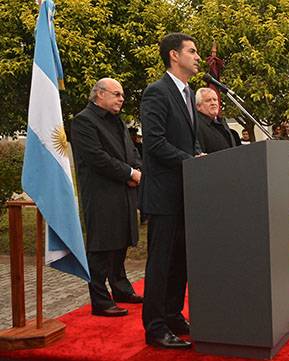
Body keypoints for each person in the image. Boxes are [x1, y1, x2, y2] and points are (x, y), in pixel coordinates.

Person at [139, 32, 204, 349]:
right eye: (191, 51)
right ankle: (154, 327)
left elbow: (188, 139)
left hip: (185, 192)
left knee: (181, 260)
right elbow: (154, 142)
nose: (197, 57)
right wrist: (190, 160)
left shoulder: (188, 93)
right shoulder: (157, 92)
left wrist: (198, 155)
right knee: (161, 262)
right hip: (163, 194)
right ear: (173, 56)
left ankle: (173, 314)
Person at [71, 78, 143, 318]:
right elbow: (96, 158)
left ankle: (121, 290)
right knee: (101, 247)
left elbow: (130, 152)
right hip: (101, 194)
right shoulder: (83, 121)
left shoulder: (118, 121)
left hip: (123, 191)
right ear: (100, 94)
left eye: (121, 94)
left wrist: (137, 170)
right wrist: (130, 173)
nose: (121, 98)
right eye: (116, 94)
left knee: (120, 242)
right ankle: (100, 300)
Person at [195, 87, 236, 153]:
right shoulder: (196, 124)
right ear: (198, 106)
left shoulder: (221, 121)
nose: (213, 103)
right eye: (208, 100)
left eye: (215, 100)